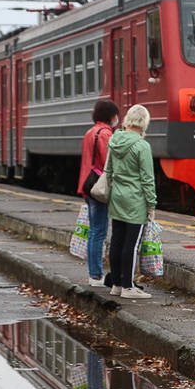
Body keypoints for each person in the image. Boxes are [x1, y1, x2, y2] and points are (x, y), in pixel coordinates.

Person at [104, 104, 156, 299]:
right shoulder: (142, 146)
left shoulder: (114, 140)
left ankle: (116, 284)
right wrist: (151, 204)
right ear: (144, 122)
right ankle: (128, 286)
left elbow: (108, 170)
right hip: (135, 199)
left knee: (117, 241)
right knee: (131, 245)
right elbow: (147, 179)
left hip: (117, 196)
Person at [77, 99, 120, 287]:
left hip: (88, 185)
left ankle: (93, 273)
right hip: (99, 188)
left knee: (94, 231)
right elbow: (107, 162)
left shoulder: (90, 132)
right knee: (99, 232)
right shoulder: (105, 134)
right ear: (111, 116)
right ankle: (95, 275)